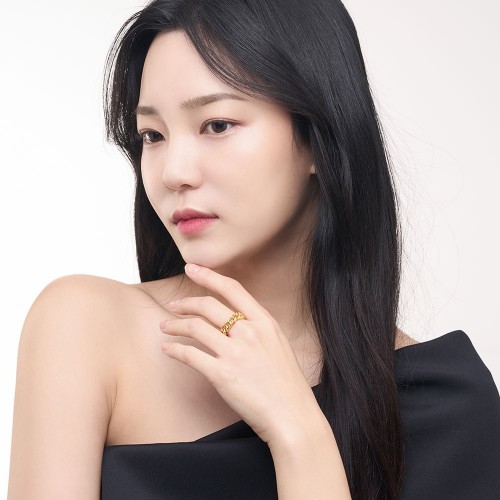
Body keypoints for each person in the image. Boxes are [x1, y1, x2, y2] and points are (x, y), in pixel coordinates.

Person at [8, 0, 500, 499]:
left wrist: (297, 431)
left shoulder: (448, 408)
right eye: (152, 135)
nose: (174, 172)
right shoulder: (86, 328)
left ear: (317, 139)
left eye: (217, 125)